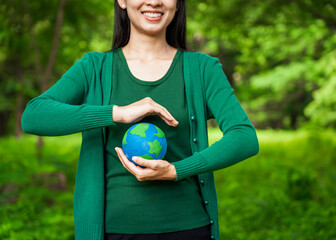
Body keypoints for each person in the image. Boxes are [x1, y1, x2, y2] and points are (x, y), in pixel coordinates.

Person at [21, 0, 259, 239]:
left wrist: (176, 170)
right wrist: (117, 113)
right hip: (113, 231)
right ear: (122, 1)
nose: (154, 1)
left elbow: (244, 136)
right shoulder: (94, 67)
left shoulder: (202, 69)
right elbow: (34, 116)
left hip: (188, 228)